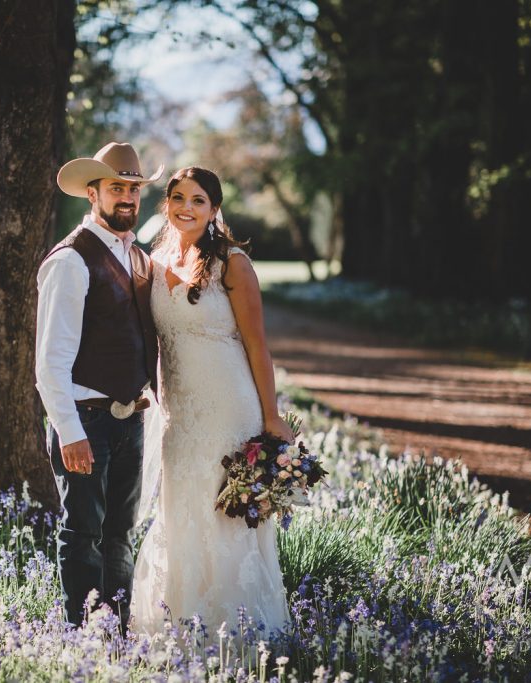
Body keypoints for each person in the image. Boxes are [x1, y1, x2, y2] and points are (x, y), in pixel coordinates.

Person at [131, 166, 295, 637]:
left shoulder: (232, 262)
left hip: (230, 408)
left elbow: (257, 344)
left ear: (214, 209)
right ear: (166, 205)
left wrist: (270, 416)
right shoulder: (154, 262)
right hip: (179, 415)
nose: (186, 207)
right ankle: (180, 624)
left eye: (198, 200)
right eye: (178, 197)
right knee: (182, 511)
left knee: (225, 517)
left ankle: (239, 632)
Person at [35, 142, 164, 632]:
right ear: (94, 194)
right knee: (83, 532)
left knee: (120, 535)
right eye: (117, 188)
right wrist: (69, 431)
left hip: (130, 419)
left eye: (133, 188)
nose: (128, 197)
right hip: (85, 420)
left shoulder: (136, 255)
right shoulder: (71, 259)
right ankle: (81, 634)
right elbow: (49, 362)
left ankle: (116, 633)